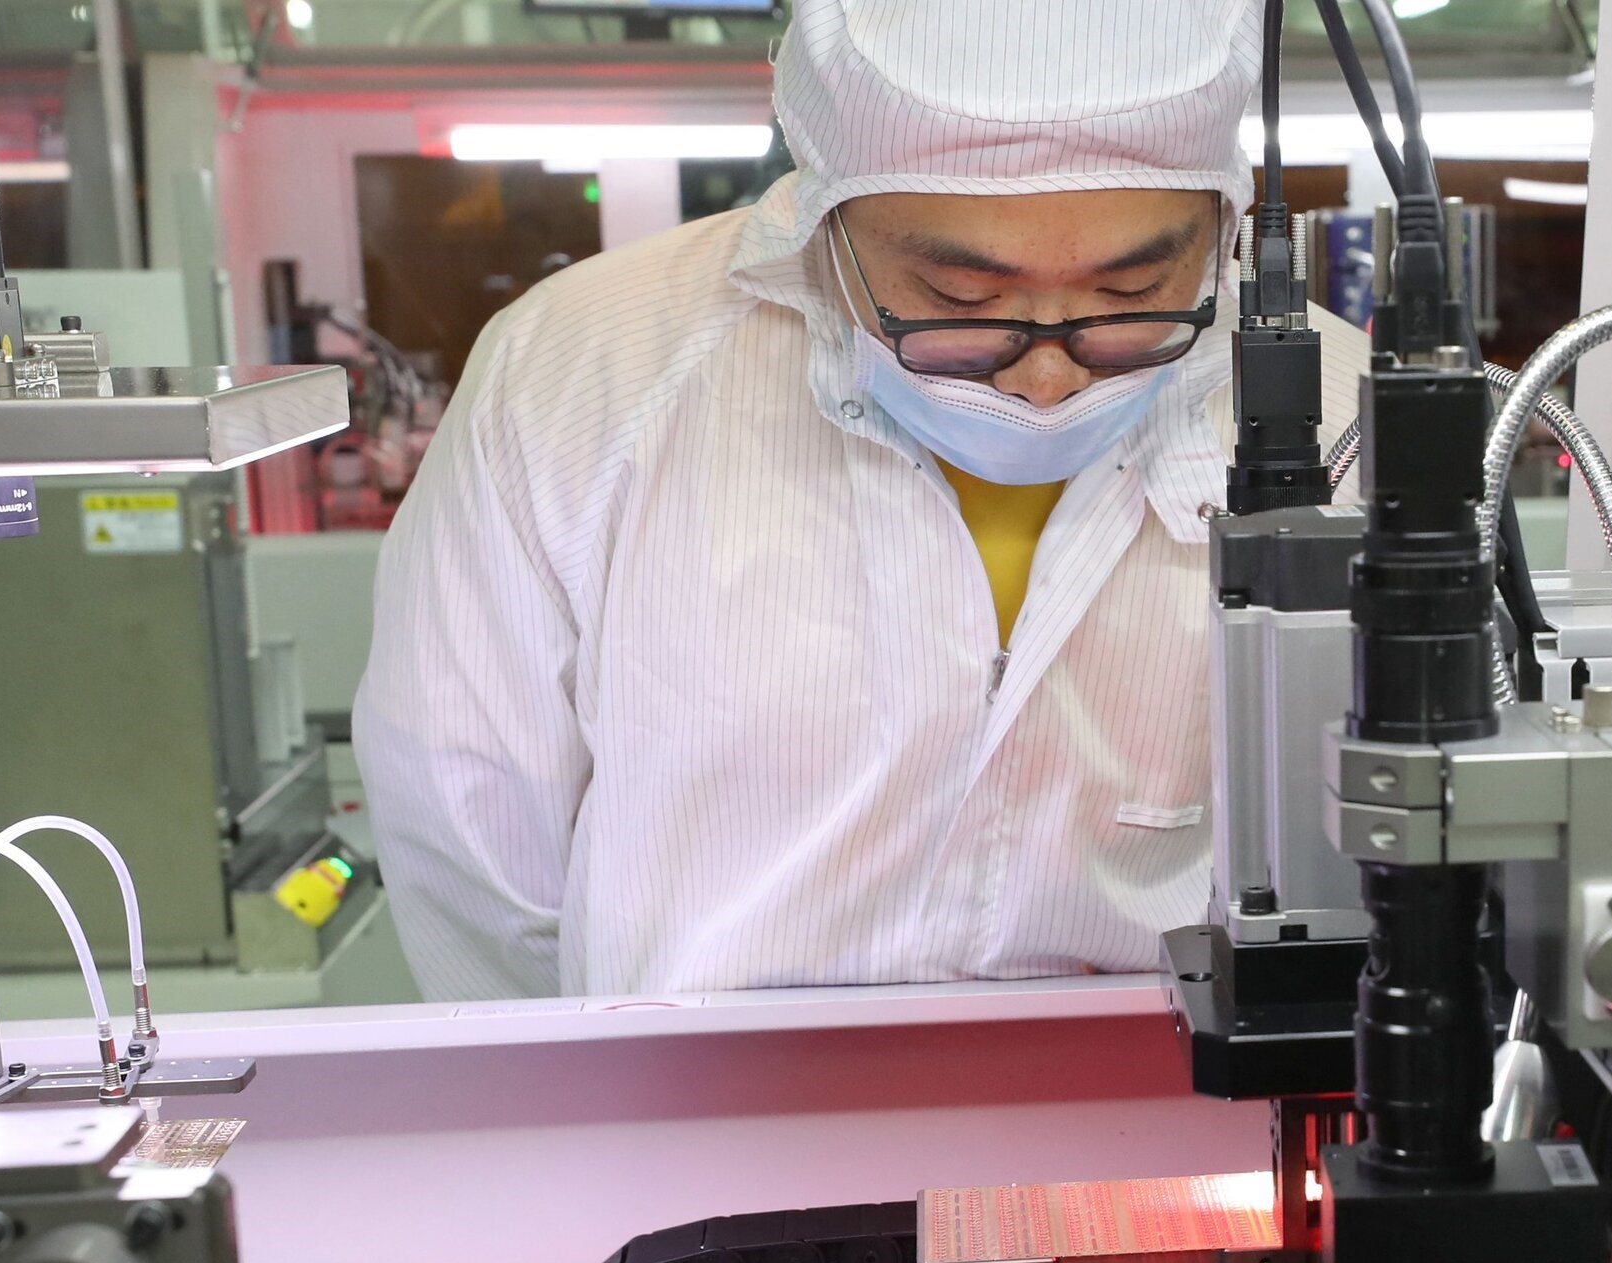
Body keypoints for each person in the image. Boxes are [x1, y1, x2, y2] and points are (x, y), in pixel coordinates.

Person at [355, 0, 1366, 999]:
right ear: (826, 212)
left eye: (1130, 292)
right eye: (961, 301)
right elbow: (468, 832)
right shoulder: (582, 376)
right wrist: (622, 1101)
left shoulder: (1342, 418)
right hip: (700, 1123)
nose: (1046, 377)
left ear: (1231, 224)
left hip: (1173, 1128)